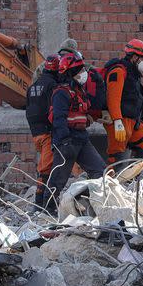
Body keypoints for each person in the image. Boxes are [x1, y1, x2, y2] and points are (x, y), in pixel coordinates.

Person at [44, 53, 106, 213]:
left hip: (81, 138)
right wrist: (65, 141)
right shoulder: (61, 93)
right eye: (79, 70)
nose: (83, 73)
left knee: (99, 170)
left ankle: (93, 204)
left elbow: (91, 107)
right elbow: (58, 119)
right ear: (70, 74)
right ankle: (46, 210)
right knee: (58, 178)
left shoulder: (79, 91)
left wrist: (99, 85)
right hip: (65, 140)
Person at [101, 39, 143, 175]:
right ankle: (109, 185)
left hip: (133, 123)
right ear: (134, 57)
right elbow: (113, 98)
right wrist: (117, 121)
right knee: (117, 158)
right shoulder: (118, 71)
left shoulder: (133, 74)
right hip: (119, 122)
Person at [25, 54, 60, 209]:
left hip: (36, 133)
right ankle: (40, 204)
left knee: (46, 166)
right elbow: (53, 110)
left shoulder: (33, 87)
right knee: (46, 169)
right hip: (47, 132)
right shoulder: (52, 85)